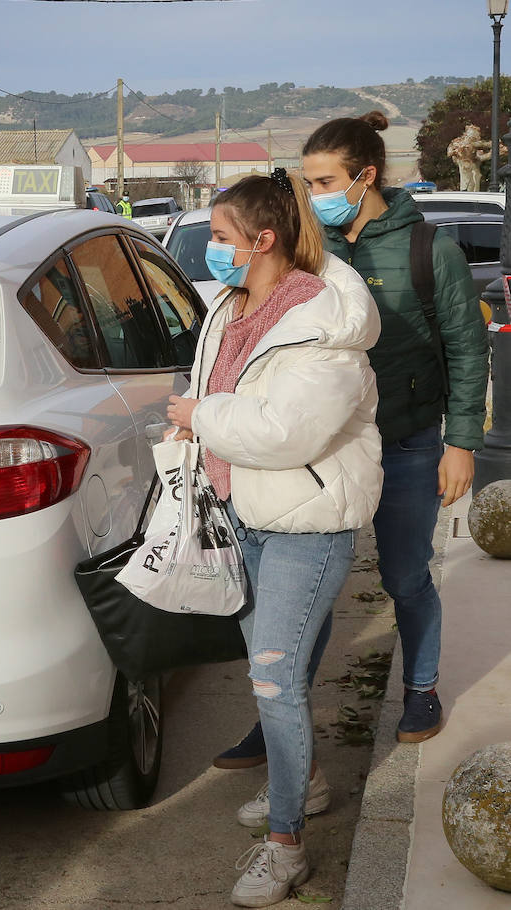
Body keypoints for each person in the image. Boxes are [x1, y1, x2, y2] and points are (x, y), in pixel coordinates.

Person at [213, 112, 488, 769]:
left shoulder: (429, 250)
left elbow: (466, 348)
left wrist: (462, 442)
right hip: (323, 451)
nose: (316, 194)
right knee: (299, 598)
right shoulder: (314, 252)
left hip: (406, 442)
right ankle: (279, 715)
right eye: (308, 182)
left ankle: (420, 690)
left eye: (327, 180)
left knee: (404, 575)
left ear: (366, 176)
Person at [166, 169, 383, 907]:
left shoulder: (323, 322)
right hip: (240, 514)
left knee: (273, 681)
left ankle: (286, 846)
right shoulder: (230, 305)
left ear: (262, 240)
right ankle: (309, 783)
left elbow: (286, 432)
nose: (212, 250)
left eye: (221, 238)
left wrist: (197, 416)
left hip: (304, 524)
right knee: (270, 676)